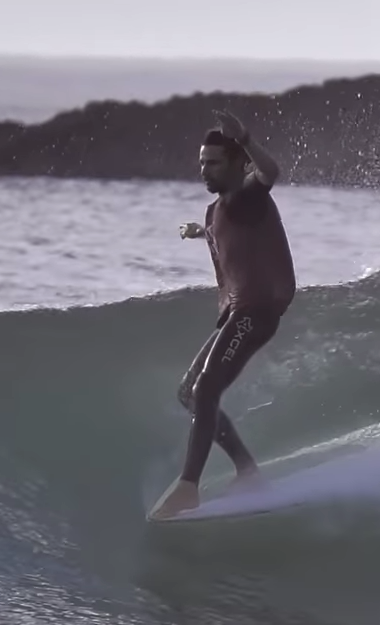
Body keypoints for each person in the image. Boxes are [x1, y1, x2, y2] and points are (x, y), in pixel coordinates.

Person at [149, 109, 296, 520]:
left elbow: (271, 171)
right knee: (189, 392)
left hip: (257, 310)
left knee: (206, 389)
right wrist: (202, 232)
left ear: (237, 164)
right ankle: (247, 471)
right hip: (236, 312)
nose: (203, 170)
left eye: (213, 162)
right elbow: (227, 238)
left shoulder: (250, 194)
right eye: (200, 162)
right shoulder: (216, 211)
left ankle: (187, 487)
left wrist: (246, 136)